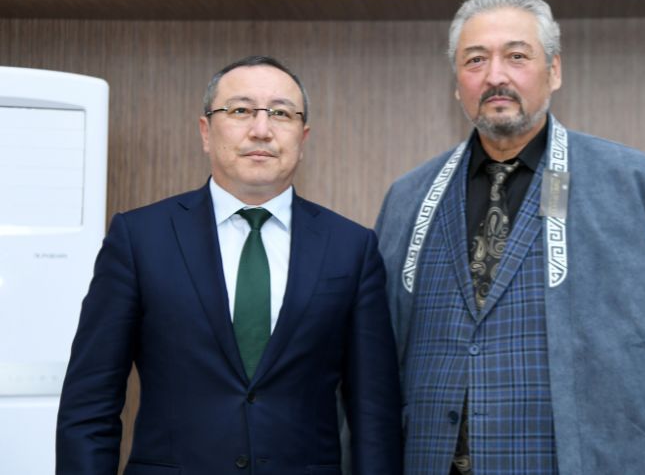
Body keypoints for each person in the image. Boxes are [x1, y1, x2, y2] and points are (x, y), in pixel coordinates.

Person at [376, 0, 645, 475]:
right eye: (475, 60)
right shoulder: (409, 197)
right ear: (456, 83)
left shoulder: (627, 183)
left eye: (517, 56)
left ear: (554, 71)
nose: (495, 76)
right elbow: (372, 358)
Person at [57, 55, 403, 475]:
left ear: (303, 137)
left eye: (281, 113)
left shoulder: (351, 248)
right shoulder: (139, 238)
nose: (261, 129)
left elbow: (375, 414)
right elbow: (90, 405)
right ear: (206, 131)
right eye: (240, 110)